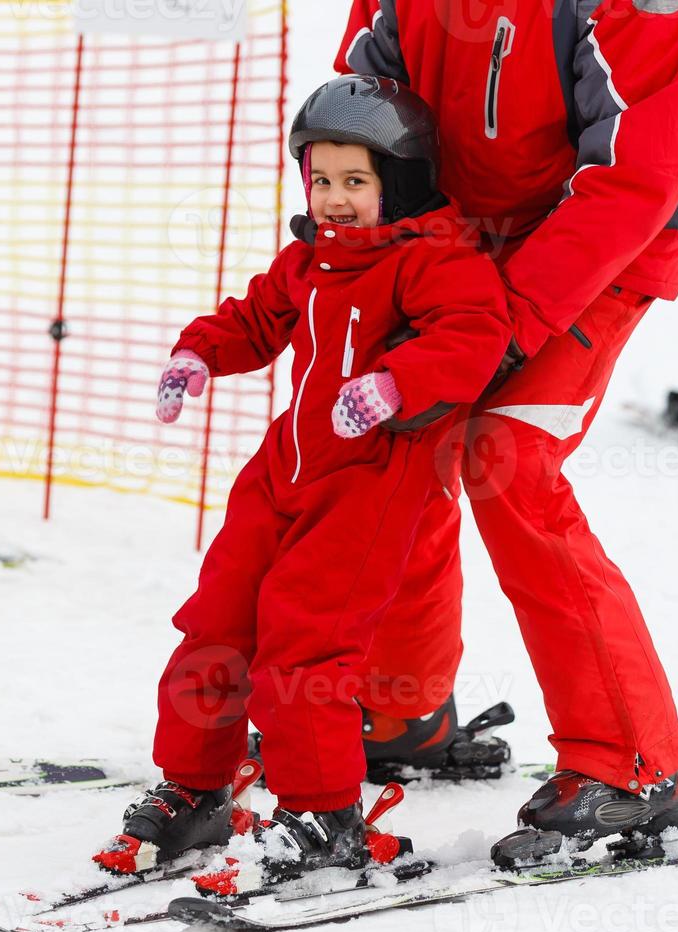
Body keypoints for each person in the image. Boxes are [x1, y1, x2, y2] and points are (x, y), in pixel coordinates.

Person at [333, 0, 678, 868]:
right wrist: (387, 270)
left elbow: (634, 171)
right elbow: (368, 113)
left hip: (603, 241)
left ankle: (634, 765)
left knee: (504, 454)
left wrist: (503, 325)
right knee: (406, 424)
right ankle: (404, 708)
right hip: (459, 233)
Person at [92, 76, 513, 885]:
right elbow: (257, 316)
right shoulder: (310, 258)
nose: (335, 199)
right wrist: (198, 351)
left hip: (372, 481)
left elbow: (474, 334)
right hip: (285, 468)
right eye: (321, 180)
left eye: (357, 181)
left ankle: (323, 815)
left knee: (304, 644)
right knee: (216, 619)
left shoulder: (434, 257)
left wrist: (396, 383)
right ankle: (197, 788)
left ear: (402, 181)